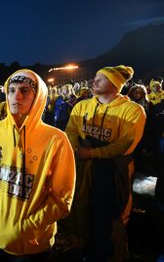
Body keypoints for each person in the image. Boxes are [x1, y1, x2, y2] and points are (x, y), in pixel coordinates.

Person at [0, 69, 76, 261]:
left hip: (31, 245)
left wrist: (26, 228)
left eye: (25, 90)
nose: (16, 96)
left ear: (39, 97)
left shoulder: (56, 140)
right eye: (11, 90)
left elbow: (61, 199)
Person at [65, 65, 146, 262]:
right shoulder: (81, 106)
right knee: (80, 208)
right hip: (84, 167)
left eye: (101, 78)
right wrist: (76, 150)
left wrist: (91, 152)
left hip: (112, 171)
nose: (94, 81)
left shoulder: (133, 110)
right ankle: (80, 246)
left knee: (110, 213)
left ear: (115, 84)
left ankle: (112, 253)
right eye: (95, 77)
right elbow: (71, 131)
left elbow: (124, 146)